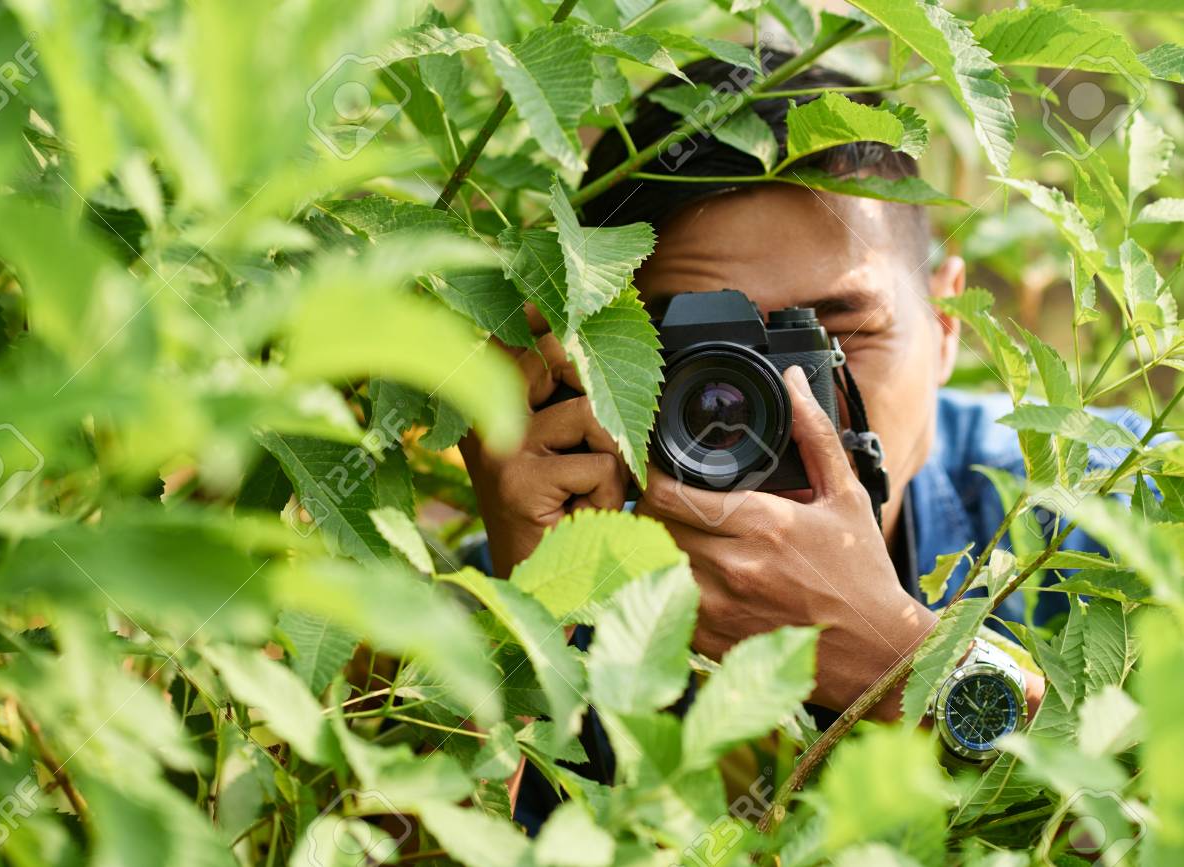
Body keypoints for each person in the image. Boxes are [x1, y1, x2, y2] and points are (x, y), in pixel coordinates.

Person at [457, 46, 1146, 825]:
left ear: (947, 322)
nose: (774, 407)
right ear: (596, 361)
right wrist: (523, 633)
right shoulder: (525, 573)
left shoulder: (1107, 510)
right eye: (701, 357)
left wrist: (904, 666)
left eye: (828, 336)